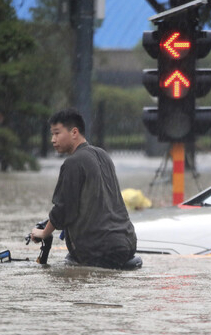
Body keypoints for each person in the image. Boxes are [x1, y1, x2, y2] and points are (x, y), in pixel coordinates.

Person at [30, 108, 137, 269]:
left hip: (98, 250)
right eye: (52, 134)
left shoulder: (73, 163)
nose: (53, 139)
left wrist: (44, 233)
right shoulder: (103, 155)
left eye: (57, 133)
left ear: (74, 132)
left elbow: (63, 209)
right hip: (127, 243)